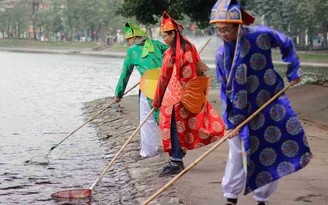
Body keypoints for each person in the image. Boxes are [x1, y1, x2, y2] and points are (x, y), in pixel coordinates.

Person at [209, 1, 313, 205]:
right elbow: (224, 90)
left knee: (268, 153)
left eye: (226, 30)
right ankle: (230, 197)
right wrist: (230, 123)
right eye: (219, 30)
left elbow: (285, 42)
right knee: (236, 156)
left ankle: (261, 199)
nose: (223, 35)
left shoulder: (260, 35)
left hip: (268, 105)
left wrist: (293, 70)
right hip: (239, 111)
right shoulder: (222, 54)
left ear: (238, 25)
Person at [152, 11, 225, 177]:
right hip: (191, 94)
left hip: (175, 98)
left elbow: (163, 79)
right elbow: (200, 68)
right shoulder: (190, 47)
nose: (164, 39)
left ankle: (176, 161)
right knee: (182, 127)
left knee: (173, 128)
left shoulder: (171, 54)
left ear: (173, 33)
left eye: (165, 36)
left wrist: (156, 101)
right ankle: (178, 157)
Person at [114, 22, 169, 159]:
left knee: (147, 119)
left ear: (134, 38)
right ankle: (174, 151)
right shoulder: (157, 44)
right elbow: (171, 55)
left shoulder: (132, 51)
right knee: (165, 116)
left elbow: (125, 74)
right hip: (166, 84)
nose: (128, 42)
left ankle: (149, 152)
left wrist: (118, 95)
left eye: (128, 39)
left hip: (149, 87)